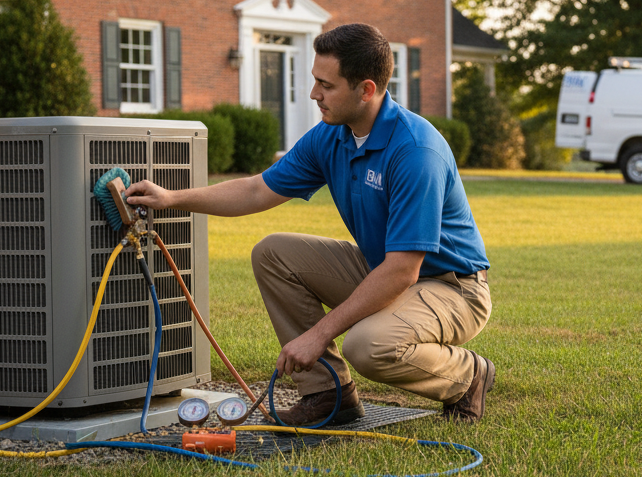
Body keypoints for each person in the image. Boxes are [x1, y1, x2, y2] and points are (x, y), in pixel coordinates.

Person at [126, 24, 495, 425]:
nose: (313, 93)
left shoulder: (415, 151)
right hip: (384, 267)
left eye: (326, 85)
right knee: (273, 253)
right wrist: (172, 198)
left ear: (366, 90)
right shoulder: (331, 137)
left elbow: (402, 271)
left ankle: (469, 376)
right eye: (315, 80)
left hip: (452, 286)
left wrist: (318, 335)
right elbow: (256, 191)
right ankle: (328, 394)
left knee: (367, 345)